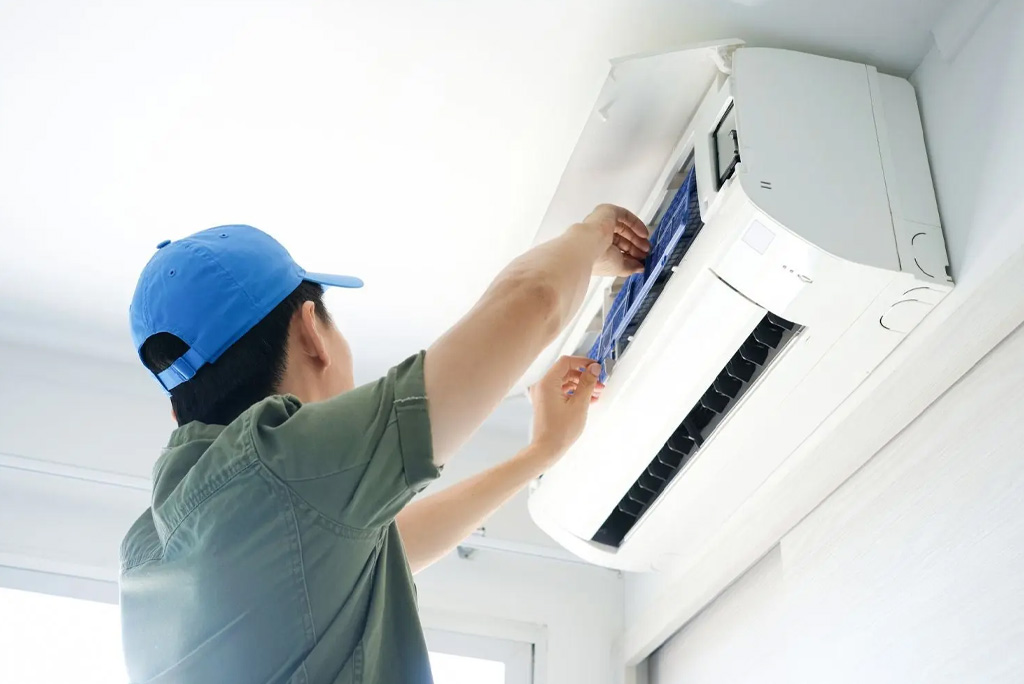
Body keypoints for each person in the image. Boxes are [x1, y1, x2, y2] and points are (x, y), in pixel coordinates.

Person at [119, 205, 650, 683]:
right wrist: (591, 235)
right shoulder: (283, 465)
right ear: (312, 333)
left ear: (178, 409)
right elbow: (532, 303)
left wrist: (539, 454)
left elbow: (383, 542)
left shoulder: (151, 552)